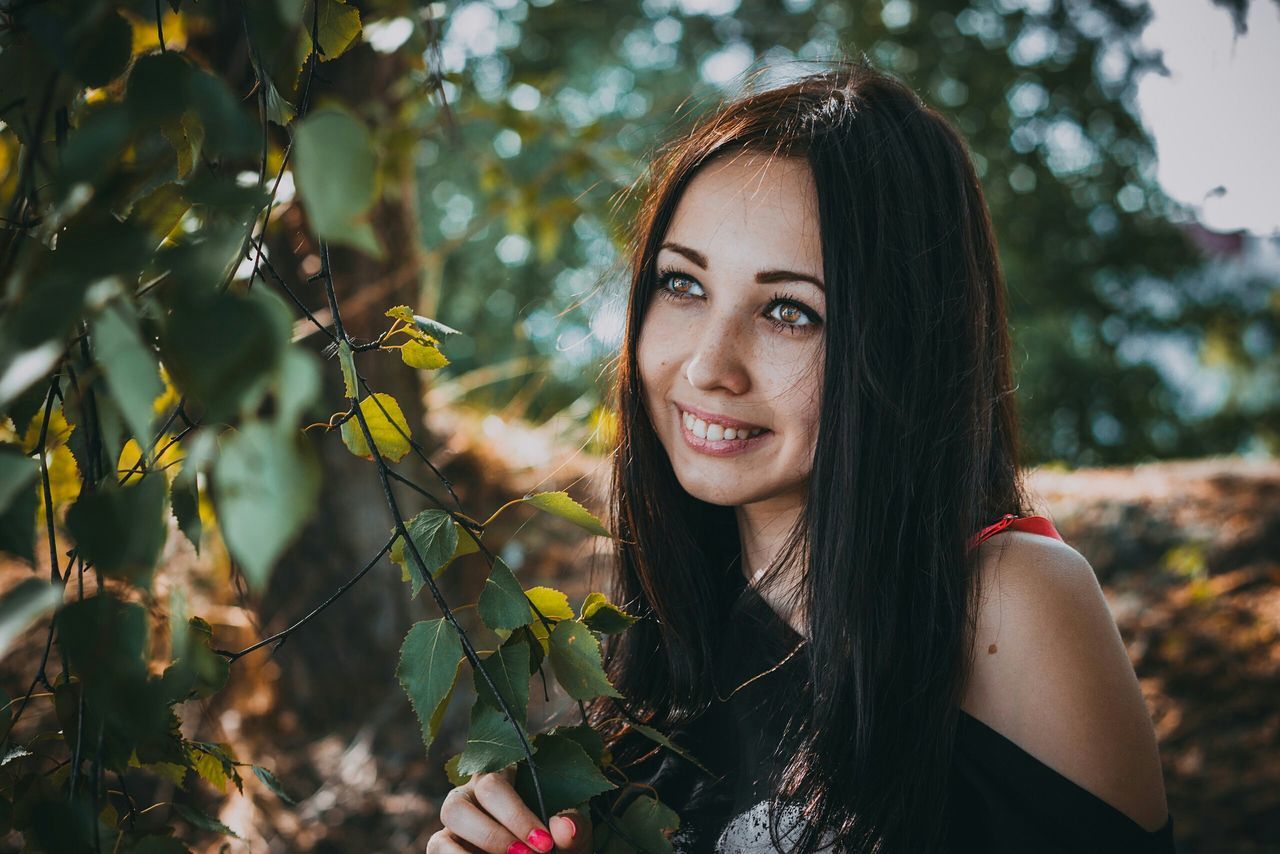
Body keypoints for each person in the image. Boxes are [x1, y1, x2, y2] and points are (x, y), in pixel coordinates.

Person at [427, 59, 1175, 853]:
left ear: (901, 344)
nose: (708, 366)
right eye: (683, 287)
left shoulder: (1003, 603)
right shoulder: (676, 623)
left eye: (788, 311)